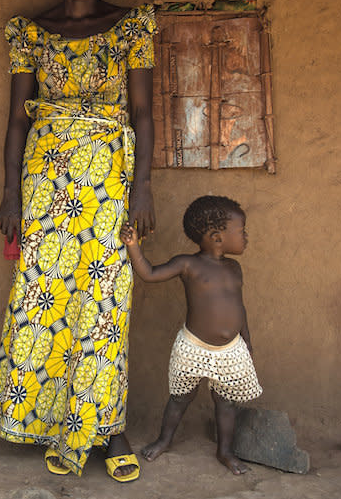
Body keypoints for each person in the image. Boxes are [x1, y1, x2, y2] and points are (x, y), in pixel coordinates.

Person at [0, 0, 156, 481]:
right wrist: (10, 193)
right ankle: (54, 424)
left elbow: (144, 115)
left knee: (106, 304)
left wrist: (144, 187)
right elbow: (16, 119)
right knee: (43, 301)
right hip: (45, 185)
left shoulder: (130, 27)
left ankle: (108, 430)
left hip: (110, 184)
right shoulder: (31, 33)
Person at [119, 195, 261, 475]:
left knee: (227, 402)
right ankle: (164, 440)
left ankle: (225, 451)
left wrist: (246, 337)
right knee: (180, 397)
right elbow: (149, 273)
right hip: (193, 347)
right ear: (217, 237)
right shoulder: (188, 264)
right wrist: (133, 246)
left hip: (230, 350)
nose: (246, 237)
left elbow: (239, 306)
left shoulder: (234, 268)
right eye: (241, 231)